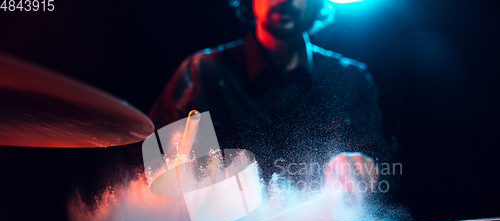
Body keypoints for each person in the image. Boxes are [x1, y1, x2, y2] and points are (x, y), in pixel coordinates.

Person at [149, 0, 393, 198]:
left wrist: (365, 167)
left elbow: (385, 170)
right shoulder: (203, 73)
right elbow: (153, 173)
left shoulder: (350, 79)